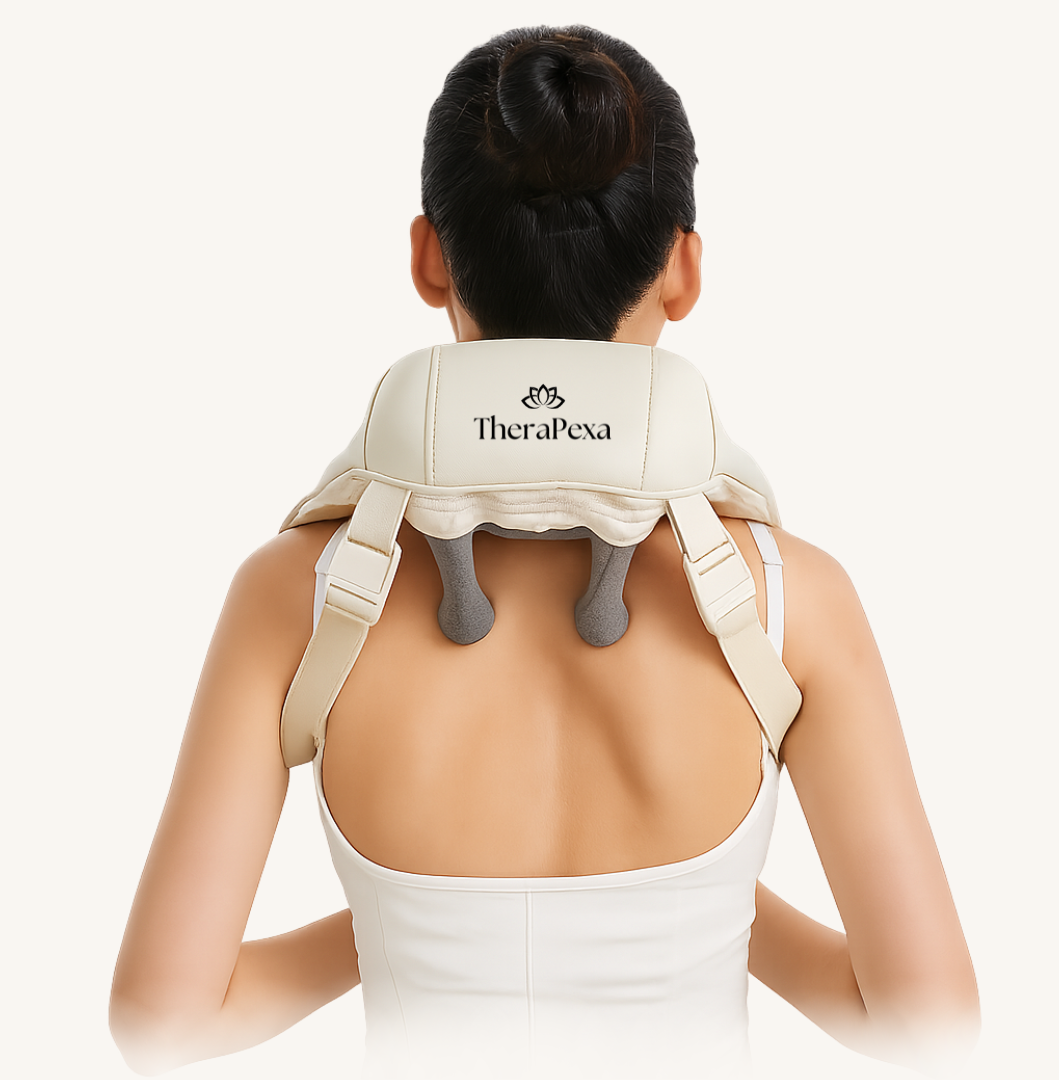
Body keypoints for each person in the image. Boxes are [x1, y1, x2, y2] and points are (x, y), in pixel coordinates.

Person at [110, 25, 979, 1079]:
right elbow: (928, 1025)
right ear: (683, 267)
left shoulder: (297, 593)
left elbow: (163, 1022)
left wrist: (392, 930)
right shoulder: (791, 601)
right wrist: (709, 906)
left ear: (430, 258)